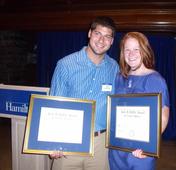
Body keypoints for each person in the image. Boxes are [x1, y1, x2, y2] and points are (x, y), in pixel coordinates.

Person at [49, 16, 119, 170]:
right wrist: (53, 140)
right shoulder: (65, 65)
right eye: (97, 34)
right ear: (89, 33)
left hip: (100, 145)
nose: (101, 40)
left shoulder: (114, 68)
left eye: (107, 36)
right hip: (68, 142)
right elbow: (54, 104)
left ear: (112, 41)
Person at [109, 32, 170, 170]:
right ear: (122, 53)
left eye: (136, 49)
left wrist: (148, 146)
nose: (131, 54)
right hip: (117, 150)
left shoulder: (154, 79)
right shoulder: (119, 78)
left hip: (139, 153)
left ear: (144, 50)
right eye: (127, 50)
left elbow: (163, 117)